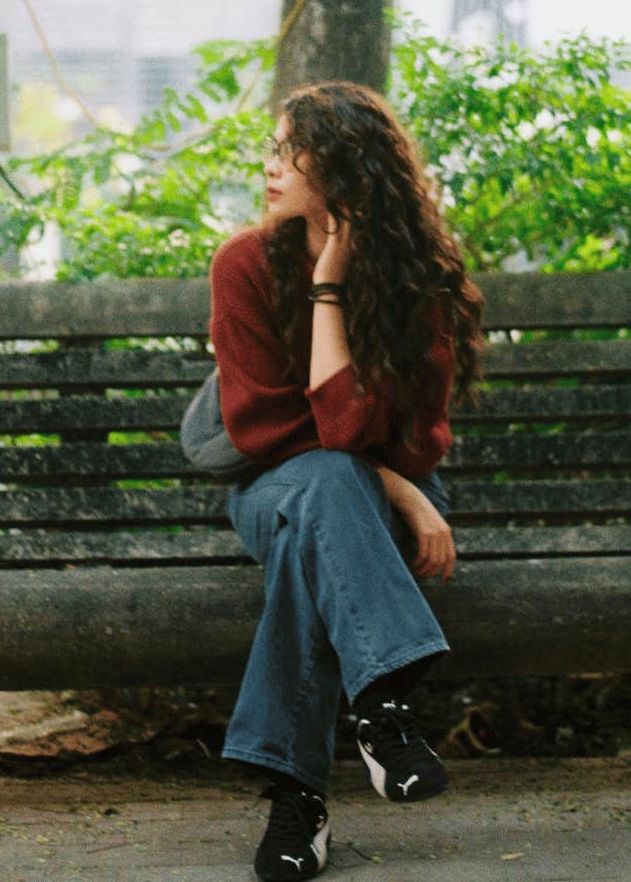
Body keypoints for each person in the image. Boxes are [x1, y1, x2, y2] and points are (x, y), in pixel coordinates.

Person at [209, 80, 484, 881]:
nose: (270, 167)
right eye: (271, 148)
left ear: (341, 167)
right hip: (274, 488)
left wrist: (332, 285)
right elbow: (266, 430)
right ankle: (385, 707)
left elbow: (396, 434)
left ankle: (298, 800)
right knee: (323, 488)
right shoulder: (244, 265)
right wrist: (393, 488)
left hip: (375, 492)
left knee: (317, 539)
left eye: (289, 151)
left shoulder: (416, 277)